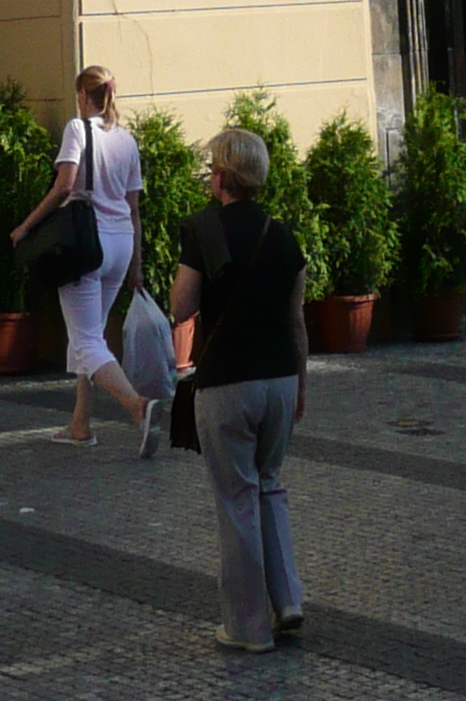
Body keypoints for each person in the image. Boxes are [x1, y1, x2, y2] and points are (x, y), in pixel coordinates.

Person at [170, 127, 307, 654]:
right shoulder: (283, 233)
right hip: (279, 378)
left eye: (211, 168)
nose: (209, 176)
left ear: (223, 175)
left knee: (236, 499)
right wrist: (301, 384)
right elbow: (297, 321)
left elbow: (182, 308)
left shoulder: (203, 230)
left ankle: (248, 627)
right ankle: (288, 599)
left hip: (227, 380)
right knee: (270, 483)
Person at [11, 64, 154, 450]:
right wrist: (137, 266)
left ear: (83, 96)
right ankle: (80, 425)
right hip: (121, 243)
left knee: (87, 341)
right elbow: (135, 208)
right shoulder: (126, 140)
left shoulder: (78, 129)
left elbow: (64, 186)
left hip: (84, 245)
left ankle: (137, 406)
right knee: (88, 336)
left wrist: (25, 228)